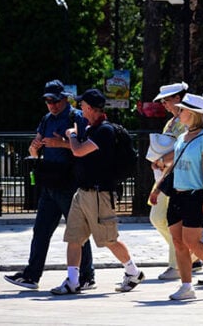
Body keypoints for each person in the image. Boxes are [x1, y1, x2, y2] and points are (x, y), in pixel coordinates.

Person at [4, 80, 95, 291]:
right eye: (47, 101)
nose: (51, 105)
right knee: (41, 230)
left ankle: (87, 276)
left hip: (69, 182)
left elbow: (85, 148)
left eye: (54, 101)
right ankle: (31, 275)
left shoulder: (76, 118)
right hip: (49, 182)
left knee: (78, 232)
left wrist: (61, 143)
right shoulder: (46, 119)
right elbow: (34, 149)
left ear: (64, 99)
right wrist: (34, 149)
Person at [51, 89, 143, 295]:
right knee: (73, 238)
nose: (80, 109)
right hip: (82, 192)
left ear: (91, 108)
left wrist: (72, 134)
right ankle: (72, 281)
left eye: (82, 106)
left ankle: (133, 271)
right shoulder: (93, 129)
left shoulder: (105, 131)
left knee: (108, 239)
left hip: (100, 194)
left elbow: (79, 150)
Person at [149, 93, 203, 300]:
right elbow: (173, 166)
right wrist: (157, 188)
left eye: (182, 109)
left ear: (192, 114)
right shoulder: (182, 138)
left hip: (196, 195)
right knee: (178, 241)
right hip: (177, 194)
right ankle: (186, 286)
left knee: (192, 241)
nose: (179, 112)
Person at [150, 81, 189, 281]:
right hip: (167, 175)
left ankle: (178, 264)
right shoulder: (172, 122)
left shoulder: (187, 119)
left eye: (166, 100)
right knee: (158, 218)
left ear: (177, 98)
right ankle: (189, 255)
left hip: (179, 176)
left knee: (171, 220)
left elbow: (184, 147)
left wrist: (163, 160)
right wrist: (157, 161)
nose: (164, 104)